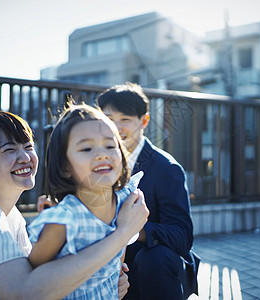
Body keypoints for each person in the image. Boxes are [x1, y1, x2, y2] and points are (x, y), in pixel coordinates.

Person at [0, 110, 148, 299]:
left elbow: (42, 282)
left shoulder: (11, 216)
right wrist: (122, 233)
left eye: (27, 147)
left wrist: (98, 279)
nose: (25, 158)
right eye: (9, 150)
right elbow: (24, 292)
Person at [27, 103, 144, 299]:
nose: (102, 154)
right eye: (87, 148)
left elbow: (119, 256)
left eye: (109, 145)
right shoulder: (63, 221)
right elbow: (32, 282)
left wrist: (116, 276)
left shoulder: (127, 198)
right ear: (65, 166)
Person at [97, 82, 200, 300]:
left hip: (153, 266)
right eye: (108, 119)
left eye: (125, 119)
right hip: (110, 260)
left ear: (144, 121)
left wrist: (134, 229)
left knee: (155, 258)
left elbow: (182, 236)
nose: (115, 128)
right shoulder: (96, 162)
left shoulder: (166, 169)